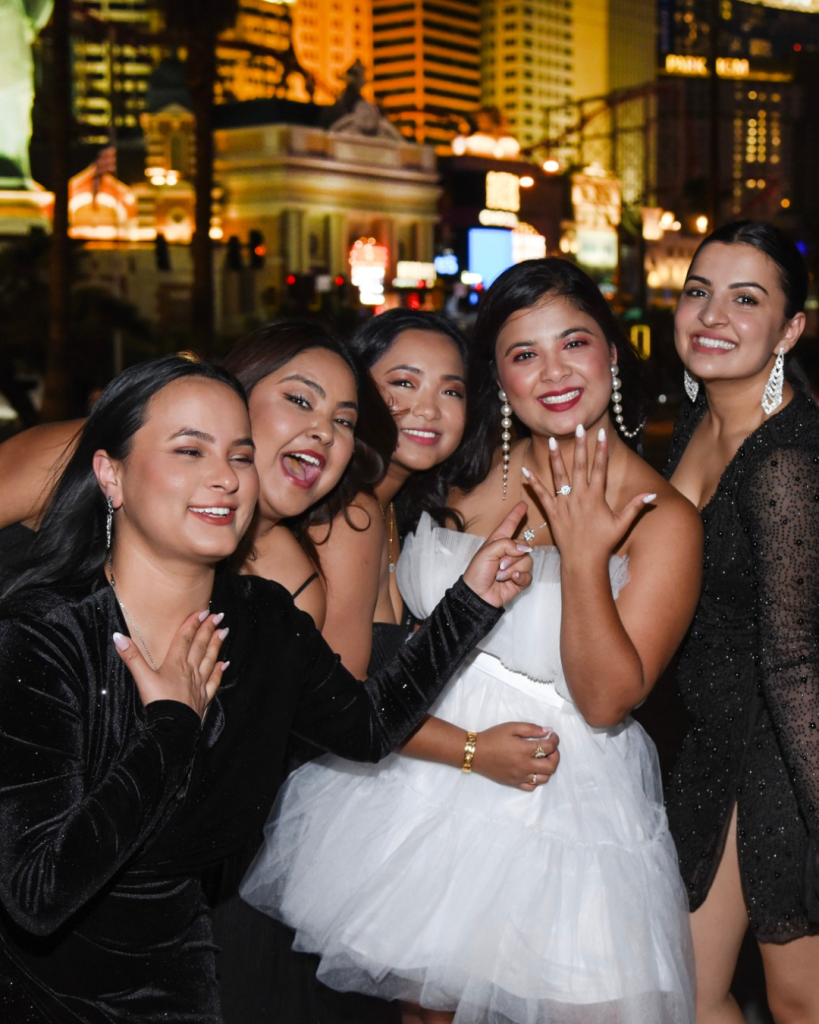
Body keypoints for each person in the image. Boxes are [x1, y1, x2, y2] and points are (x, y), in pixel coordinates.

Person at [0, 355, 534, 1023]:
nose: (224, 478)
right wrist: (171, 724)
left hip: (176, 981)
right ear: (111, 474)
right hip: (32, 992)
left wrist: (470, 601)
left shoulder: (263, 622)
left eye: (240, 456)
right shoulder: (43, 637)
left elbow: (366, 729)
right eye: (189, 450)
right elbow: (38, 893)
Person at [241, 258, 703, 1024]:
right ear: (499, 375)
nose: (552, 372)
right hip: (404, 773)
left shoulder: (664, 517)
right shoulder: (462, 466)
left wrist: (584, 558)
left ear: (611, 354)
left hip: (550, 797)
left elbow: (606, 697)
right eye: (523, 354)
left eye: (574, 344)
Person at [663, 221, 819, 1024]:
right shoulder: (697, 426)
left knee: (800, 1001)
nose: (711, 315)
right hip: (714, 743)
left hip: (788, 751)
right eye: (697, 291)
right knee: (687, 995)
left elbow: (795, 662)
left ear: (789, 329)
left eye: (745, 299)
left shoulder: (786, 460)